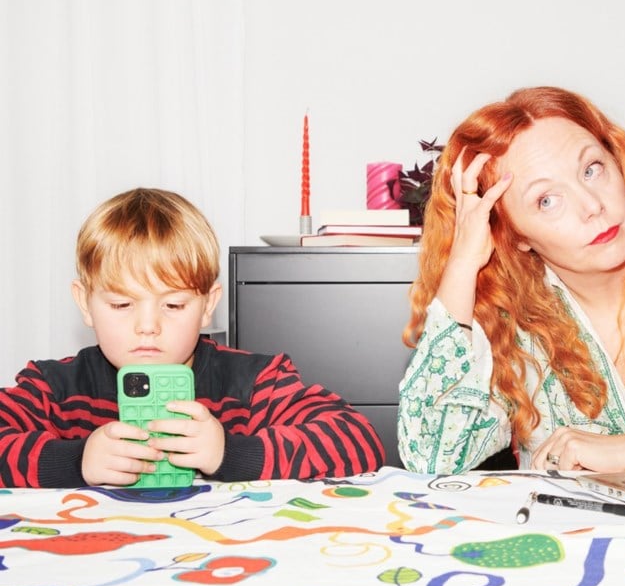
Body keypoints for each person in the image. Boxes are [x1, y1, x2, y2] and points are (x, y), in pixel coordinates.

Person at [398, 86, 625, 474]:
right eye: (546, 200)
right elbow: (431, 459)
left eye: (592, 169)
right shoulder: (507, 322)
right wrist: (462, 264)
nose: (592, 206)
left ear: (618, 163)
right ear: (515, 235)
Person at [0, 188, 384, 488]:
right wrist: (75, 461)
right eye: (121, 304)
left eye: (173, 305)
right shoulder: (55, 387)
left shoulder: (254, 382)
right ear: (86, 304)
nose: (147, 326)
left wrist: (229, 453)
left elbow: (357, 440)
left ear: (207, 306)